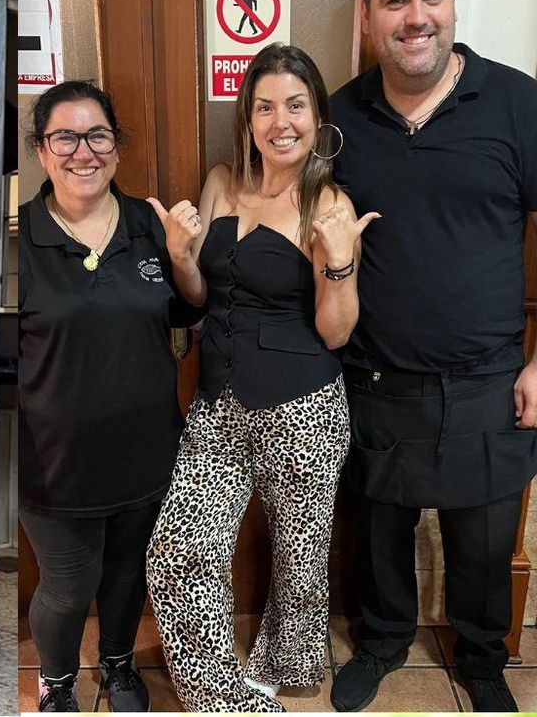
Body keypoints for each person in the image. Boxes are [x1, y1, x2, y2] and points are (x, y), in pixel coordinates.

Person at [327, 0, 537, 714]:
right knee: (379, 533)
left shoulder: (518, 103)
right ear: (367, 13)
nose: (416, 16)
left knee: (483, 541)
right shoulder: (341, 119)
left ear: (452, 2)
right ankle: (382, 645)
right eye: (396, 0)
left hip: (489, 379)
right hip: (376, 378)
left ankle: (483, 660)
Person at [145, 44, 370, 712]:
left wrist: (337, 261)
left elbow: (336, 331)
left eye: (295, 106)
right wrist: (183, 258)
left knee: (300, 562)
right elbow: (200, 294)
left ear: (317, 116)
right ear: (247, 116)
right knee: (177, 549)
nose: (281, 122)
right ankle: (223, 698)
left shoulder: (328, 203)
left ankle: (285, 661)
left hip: (305, 409)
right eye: (265, 106)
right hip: (217, 402)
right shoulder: (219, 182)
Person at [17, 81, 204, 712]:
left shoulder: (148, 226)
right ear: (42, 152)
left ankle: (119, 666)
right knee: (69, 587)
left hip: (146, 450)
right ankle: (58, 680)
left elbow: (187, 308)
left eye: (97, 135)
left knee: (127, 574)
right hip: (54, 462)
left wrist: (181, 257)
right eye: (64, 137)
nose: (83, 151)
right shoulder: (20, 239)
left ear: (116, 147)